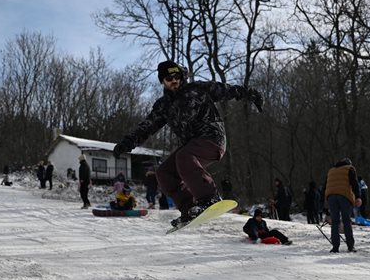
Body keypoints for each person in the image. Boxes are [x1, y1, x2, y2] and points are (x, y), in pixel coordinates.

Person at [112, 60, 263, 228]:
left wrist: (250, 93)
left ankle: (209, 197)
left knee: (184, 156)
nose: (174, 81)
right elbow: (147, 127)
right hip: (192, 146)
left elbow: (227, 90)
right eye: (169, 78)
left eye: (177, 77)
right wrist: (126, 143)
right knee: (164, 172)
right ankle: (189, 209)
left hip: (213, 138)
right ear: (162, 81)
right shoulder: (163, 106)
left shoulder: (198, 89)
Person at [324, 158, 361, 253]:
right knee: (346, 221)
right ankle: (350, 246)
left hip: (331, 196)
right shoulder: (349, 168)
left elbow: (326, 185)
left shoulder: (331, 170)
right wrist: (358, 197)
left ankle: (335, 247)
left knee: (335, 221)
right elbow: (354, 183)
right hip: (344, 196)